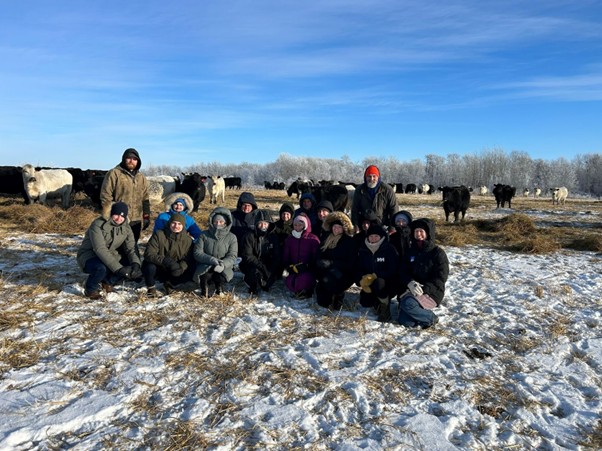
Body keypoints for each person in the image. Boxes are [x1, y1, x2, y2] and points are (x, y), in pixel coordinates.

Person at [77, 202, 142, 299]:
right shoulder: (97, 225)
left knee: (129, 265)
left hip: (111, 254)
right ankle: (90, 289)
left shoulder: (126, 227)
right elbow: (99, 249)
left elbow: (131, 247)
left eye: (122, 216)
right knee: (101, 268)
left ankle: (108, 282)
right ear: (111, 213)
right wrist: (118, 269)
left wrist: (136, 264)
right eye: (116, 215)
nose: (119, 218)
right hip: (90, 255)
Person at [398, 218, 449, 329]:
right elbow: (403, 270)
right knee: (405, 321)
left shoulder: (437, 253)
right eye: (416, 231)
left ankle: (431, 318)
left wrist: (424, 289)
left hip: (432, 291)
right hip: (412, 289)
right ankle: (419, 313)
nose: (418, 234)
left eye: (421, 231)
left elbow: (441, 277)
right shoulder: (410, 251)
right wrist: (410, 282)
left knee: (407, 304)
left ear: (428, 233)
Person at [100, 148, 150, 244]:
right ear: (124, 159)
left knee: (132, 244)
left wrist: (146, 216)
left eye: (134, 159)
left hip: (136, 219)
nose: (131, 161)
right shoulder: (114, 173)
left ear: (138, 161)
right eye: (129, 158)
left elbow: (145, 198)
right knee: (117, 244)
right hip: (119, 218)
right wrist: (108, 216)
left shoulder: (141, 177)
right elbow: (106, 195)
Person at [142, 212, 195, 297]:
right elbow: (149, 254)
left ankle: (170, 284)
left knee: (189, 271)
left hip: (174, 268)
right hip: (159, 266)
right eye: (174, 223)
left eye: (179, 224)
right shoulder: (159, 234)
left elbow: (187, 258)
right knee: (149, 266)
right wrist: (166, 261)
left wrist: (181, 268)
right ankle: (151, 287)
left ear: (183, 226)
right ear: (169, 223)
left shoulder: (188, 240)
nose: (176, 226)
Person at [355, 223, 399, 321]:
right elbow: (359, 267)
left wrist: (375, 275)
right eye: (371, 236)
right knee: (365, 302)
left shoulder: (389, 249)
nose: (373, 238)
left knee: (379, 283)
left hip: (387, 283)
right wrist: (361, 279)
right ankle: (377, 302)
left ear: (381, 237)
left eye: (376, 236)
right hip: (369, 282)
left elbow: (393, 269)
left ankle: (385, 307)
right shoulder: (363, 249)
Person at [315, 211, 357, 310]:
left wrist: (332, 264)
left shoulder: (349, 241)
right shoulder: (326, 238)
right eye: (334, 227)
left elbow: (351, 263)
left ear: (343, 228)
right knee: (322, 301)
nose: (336, 229)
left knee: (331, 282)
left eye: (339, 227)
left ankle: (339, 294)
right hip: (326, 272)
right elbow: (319, 254)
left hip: (343, 274)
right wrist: (320, 262)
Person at [193, 207, 238, 297]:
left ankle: (219, 290)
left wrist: (223, 264)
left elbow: (232, 255)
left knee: (220, 277)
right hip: (206, 264)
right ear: (211, 222)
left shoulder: (232, 237)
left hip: (223, 265)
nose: (218, 224)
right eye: (215, 222)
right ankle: (204, 291)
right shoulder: (204, 235)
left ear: (226, 223)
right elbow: (197, 252)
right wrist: (211, 260)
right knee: (204, 276)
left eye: (221, 222)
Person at [239, 209, 281, 295]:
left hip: (267, 263)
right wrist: (261, 267)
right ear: (256, 224)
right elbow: (248, 256)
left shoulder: (273, 237)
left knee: (267, 283)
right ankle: (252, 284)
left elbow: (276, 255)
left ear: (269, 224)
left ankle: (265, 280)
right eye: (260, 223)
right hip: (252, 264)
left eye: (265, 223)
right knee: (254, 274)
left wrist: (271, 269)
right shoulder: (249, 236)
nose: (263, 226)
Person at [282, 213, 320, 299]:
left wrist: (308, 266)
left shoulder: (313, 239)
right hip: (294, 268)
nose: (297, 227)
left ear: (305, 225)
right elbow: (286, 255)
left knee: (304, 280)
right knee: (290, 281)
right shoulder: (290, 239)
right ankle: (299, 291)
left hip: (308, 269)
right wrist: (288, 266)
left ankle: (306, 290)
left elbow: (317, 257)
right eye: (295, 225)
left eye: (300, 225)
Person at [351, 165, 398, 233]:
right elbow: (354, 209)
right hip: (364, 225)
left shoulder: (387, 190)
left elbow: (393, 209)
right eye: (369, 176)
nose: (371, 179)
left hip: (382, 225)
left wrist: (392, 228)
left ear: (378, 177)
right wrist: (355, 225)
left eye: (374, 176)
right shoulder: (360, 190)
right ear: (365, 177)